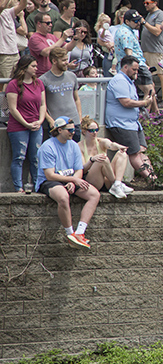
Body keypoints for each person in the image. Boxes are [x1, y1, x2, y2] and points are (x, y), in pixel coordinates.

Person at [36, 116, 100, 250]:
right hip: (50, 182)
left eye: (74, 130)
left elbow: (79, 170)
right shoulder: (47, 147)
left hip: (70, 180)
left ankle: (80, 232)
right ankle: (70, 234)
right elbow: (50, 175)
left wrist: (74, 180)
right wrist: (73, 179)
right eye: (69, 130)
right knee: (63, 197)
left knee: (94, 194)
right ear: (59, 130)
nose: (73, 132)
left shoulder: (74, 145)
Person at [105, 55, 156, 181]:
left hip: (133, 123)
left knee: (142, 151)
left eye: (137, 70)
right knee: (134, 153)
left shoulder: (129, 81)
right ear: (125, 67)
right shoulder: (119, 80)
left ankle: (154, 178)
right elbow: (126, 102)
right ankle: (152, 181)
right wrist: (144, 103)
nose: (136, 72)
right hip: (121, 124)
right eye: (134, 69)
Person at [6, 55, 45, 193]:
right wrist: (26, 124)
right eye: (33, 66)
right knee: (19, 157)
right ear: (25, 67)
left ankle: (38, 184)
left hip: (36, 124)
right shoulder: (13, 84)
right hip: (18, 126)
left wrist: (40, 121)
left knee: (36, 157)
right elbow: (13, 108)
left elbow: (42, 104)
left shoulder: (39, 83)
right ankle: (18, 187)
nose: (36, 68)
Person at [114, 10, 159, 115]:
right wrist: (135, 68)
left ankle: (156, 113)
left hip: (139, 64)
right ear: (127, 21)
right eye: (135, 21)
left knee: (150, 86)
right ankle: (146, 117)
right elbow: (129, 54)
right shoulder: (125, 33)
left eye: (139, 20)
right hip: (134, 65)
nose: (138, 23)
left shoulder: (127, 31)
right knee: (149, 89)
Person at [78, 116, 132, 199]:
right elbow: (83, 170)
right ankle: (116, 185)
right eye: (91, 131)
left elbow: (111, 145)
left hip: (107, 179)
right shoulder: (79, 146)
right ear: (84, 132)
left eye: (96, 130)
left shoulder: (101, 142)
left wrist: (118, 147)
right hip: (92, 180)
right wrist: (92, 160)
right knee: (102, 159)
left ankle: (117, 183)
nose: (95, 133)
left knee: (122, 154)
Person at [40, 47, 82, 142]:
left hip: (74, 123)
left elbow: (76, 99)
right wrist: (50, 120)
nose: (67, 62)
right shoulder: (43, 80)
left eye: (67, 59)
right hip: (57, 125)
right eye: (63, 60)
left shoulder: (72, 76)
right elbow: (41, 104)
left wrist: (79, 118)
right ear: (54, 61)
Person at [29, 12, 74, 78]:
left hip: (55, 73)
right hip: (42, 75)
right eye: (47, 23)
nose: (50, 25)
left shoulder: (52, 36)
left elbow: (67, 48)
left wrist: (76, 39)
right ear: (39, 24)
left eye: (51, 22)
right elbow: (46, 52)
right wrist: (63, 38)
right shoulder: (34, 38)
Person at [141, 0, 163, 98]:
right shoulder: (149, 14)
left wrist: (144, 23)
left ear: (155, 3)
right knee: (148, 74)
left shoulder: (160, 14)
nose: (145, 5)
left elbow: (157, 31)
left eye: (148, 3)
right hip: (146, 49)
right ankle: (151, 97)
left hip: (155, 50)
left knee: (161, 74)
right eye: (144, 3)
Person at [0, 0, 26, 80]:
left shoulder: (8, 12)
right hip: (3, 54)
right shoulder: (2, 8)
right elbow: (2, 5)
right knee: (5, 82)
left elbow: (22, 5)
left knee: (17, 79)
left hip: (15, 52)